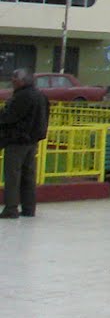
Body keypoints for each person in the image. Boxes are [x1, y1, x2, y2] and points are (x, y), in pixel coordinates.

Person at [0, 69, 51, 218]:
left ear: (22, 81)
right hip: (32, 141)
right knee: (28, 176)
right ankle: (29, 208)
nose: (12, 82)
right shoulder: (41, 96)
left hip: (17, 141)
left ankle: (11, 208)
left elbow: (8, 118)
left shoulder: (22, 96)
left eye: (14, 80)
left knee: (13, 176)